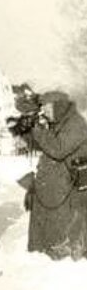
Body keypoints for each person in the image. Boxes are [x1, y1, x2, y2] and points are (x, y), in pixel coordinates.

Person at [23, 91, 87, 259]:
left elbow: (58, 149)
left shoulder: (77, 124)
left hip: (66, 188)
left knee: (65, 230)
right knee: (47, 229)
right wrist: (26, 131)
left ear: (59, 106)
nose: (45, 112)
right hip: (53, 186)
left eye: (48, 108)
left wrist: (38, 130)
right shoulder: (58, 122)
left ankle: (62, 257)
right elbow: (44, 146)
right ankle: (45, 254)